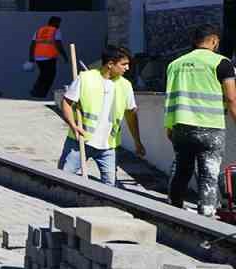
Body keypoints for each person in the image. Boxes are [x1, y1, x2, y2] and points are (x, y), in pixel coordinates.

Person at [165, 23, 236, 215]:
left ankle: (172, 208)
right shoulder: (222, 63)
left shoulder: (175, 64)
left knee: (181, 169)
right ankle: (206, 213)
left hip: (181, 126)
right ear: (214, 40)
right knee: (208, 172)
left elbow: (170, 97)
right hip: (211, 127)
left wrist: (169, 126)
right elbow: (231, 98)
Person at [58, 44, 144, 187]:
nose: (127, 68)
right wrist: (73, 125)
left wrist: (137, 141)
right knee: (63, 178)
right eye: (124, 64)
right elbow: (66, 102)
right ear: (110, 64)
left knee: (110, 186)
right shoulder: (86, 78)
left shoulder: (126, 85)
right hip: (81, 141)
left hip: (108, 146)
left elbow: (131, 114)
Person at [29, 16, 63, 99]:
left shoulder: (39, 30)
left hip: (38, 57)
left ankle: (37, 91)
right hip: (49, 57)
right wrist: (64, 56)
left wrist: (31, 56)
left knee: (44, 74)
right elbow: (58, 44)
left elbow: (32, 44)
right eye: (58, 23)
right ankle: (41, 93)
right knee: (50, 75)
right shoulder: (56, 31)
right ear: (54, 23)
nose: (59, 25)